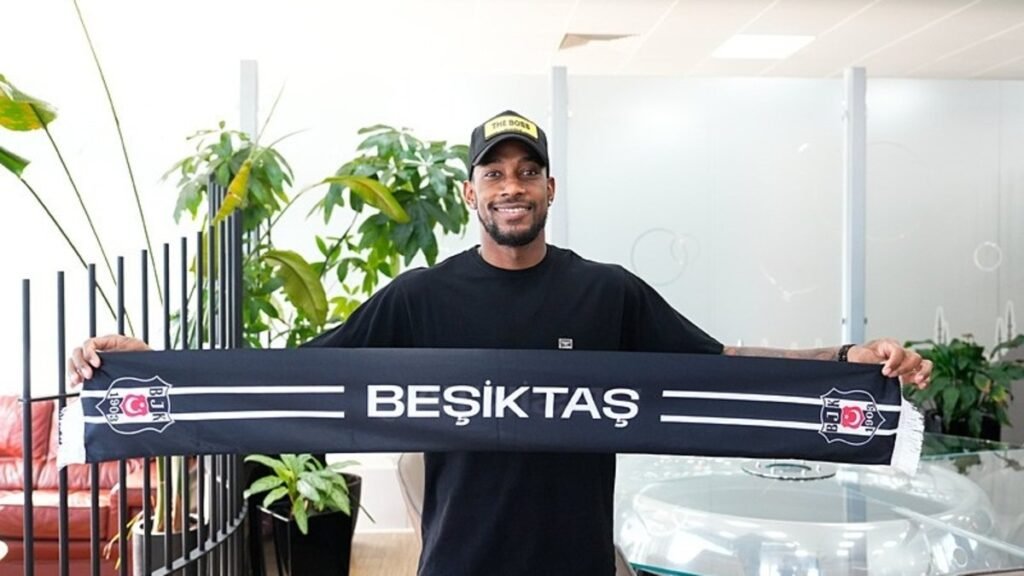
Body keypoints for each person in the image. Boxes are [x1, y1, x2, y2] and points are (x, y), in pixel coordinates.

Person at [69, 110, 932, 576]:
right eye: (494, 173)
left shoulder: (607, 292)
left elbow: (723, 372)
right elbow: (300, 373)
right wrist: (150, 365)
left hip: (579, 562)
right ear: (470, 192)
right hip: (458, 561)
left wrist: (845, 363)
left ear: (550, 187)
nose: (511, 187)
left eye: (526, 172)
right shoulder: (420, 297)